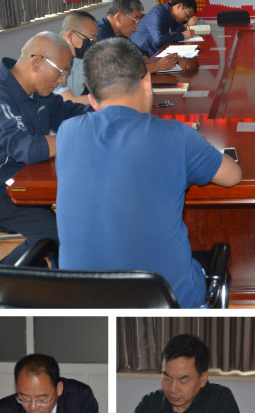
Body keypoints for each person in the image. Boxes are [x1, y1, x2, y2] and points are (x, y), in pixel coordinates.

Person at [55, 38, 241, 307]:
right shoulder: (177, 135)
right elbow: (233, 176)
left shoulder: (67, 132)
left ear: (92, 100)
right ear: (146, 83)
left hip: (82, 302)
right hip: (166, 300)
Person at [0, 32, 91, 306]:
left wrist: (111, 114)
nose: (63, 80)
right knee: (58, 233)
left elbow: (69, 112)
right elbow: (27, 149)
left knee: (82, 214)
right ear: (37, 61)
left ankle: (53, 278)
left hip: (23, 183)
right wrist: (79, 136)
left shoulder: (36, 92)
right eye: (62, 71)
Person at [96, 0, 178, 74]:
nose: (137, 25)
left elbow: (137, 51)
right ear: (118, 17)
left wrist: (151, 64)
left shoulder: (119, 33)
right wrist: (156, 67)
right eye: (135, 20)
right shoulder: (100, 34)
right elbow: (118, 70)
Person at [53, 10, 99, 105]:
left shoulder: (80, 58)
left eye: (95, 40)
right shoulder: (51, 60)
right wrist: (110, 99)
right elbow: (70, 101)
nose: (93, 44)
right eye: (90, 39)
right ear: (70, 35)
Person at [130, 0, 197, 57]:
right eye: (188, 15)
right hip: (140, 53)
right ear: (179, 6)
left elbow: (176, 30)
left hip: (154, 51)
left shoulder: (172, 16)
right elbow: (159, 39)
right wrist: (183, 35)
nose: (187, 19)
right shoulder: (158, 13)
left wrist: (184, 32)